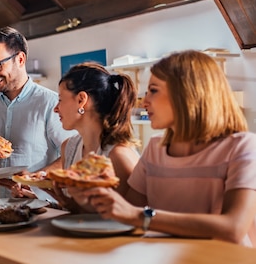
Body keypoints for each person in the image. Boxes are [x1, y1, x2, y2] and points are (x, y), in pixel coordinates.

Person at [69, 50, 256, 246]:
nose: (145, 100)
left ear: (187, 93)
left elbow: (233, 228)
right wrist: (87, 199)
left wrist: (142, 216)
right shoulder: (155, 149)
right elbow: (127, 213)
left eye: (154, 90)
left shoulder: (242, 147)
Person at [12, 63, 140, 212]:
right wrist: (38, 202)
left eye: (60, 99)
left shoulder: (120, 156)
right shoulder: (69, 148)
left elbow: (134, 219)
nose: (56, 108)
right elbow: (76, 211)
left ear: (81, 100)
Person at [0, 27, 74, 198]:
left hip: (37, 208)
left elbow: (72, 155)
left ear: (20, 59)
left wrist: (35, 177)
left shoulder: (50, 103)